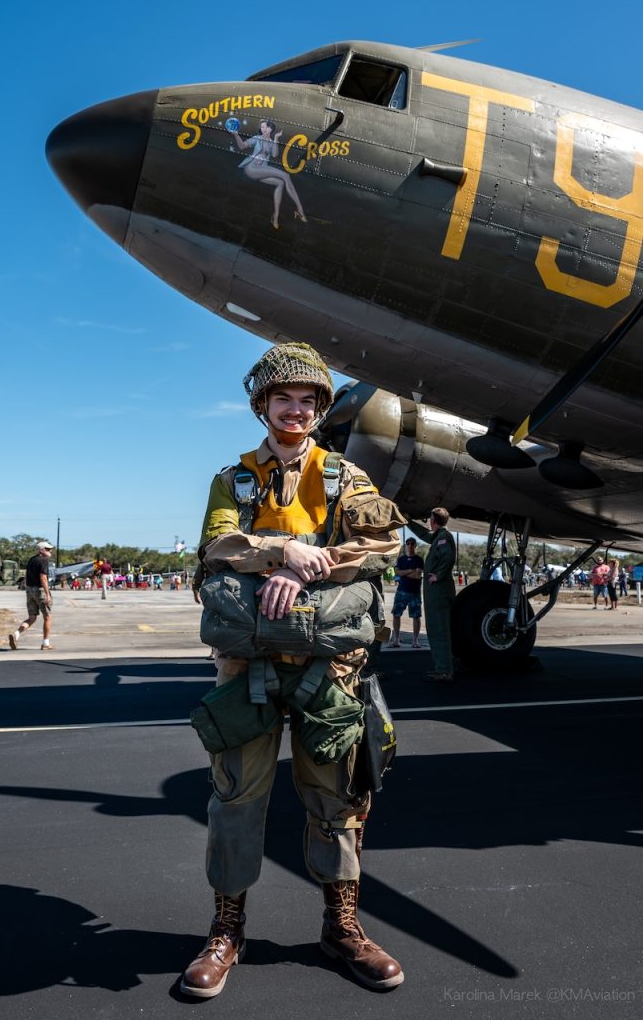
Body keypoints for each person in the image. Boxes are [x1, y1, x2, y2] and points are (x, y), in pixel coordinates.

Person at [181, 342, 406, 999]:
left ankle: (342, 927)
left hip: (329, 669)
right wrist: (282, 550)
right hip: (247, 667)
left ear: (320, 410)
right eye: (284, 398)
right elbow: (218, 545)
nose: (296, 410)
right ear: (263, 405)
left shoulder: (347, 478)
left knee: (339, 802)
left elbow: (382, 544)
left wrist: (307, 569)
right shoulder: (235, 480)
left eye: (309, 401)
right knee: (234, 801)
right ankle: (226, 930)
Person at [407, 509, 457, 682]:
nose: (429, 521)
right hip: (435, 593)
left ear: (434, 520)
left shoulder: (443, 537)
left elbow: (448, 557)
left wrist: (439, 575)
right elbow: (424, 534)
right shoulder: (438, 537)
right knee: (436, 630)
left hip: (439, 593)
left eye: (430, 518)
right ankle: (441, 668)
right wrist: (408, 522)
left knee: (439, 631)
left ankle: (444, 671)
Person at [231, 119, 308, 229]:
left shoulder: (271, 142)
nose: (264, 129)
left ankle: (275, 216)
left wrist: (276, 139)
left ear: (271, 129)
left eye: (266, 127)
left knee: (280, 183)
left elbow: (275, 154)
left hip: (261, 171)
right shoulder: (257, 138)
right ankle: (300, 210)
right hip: (251, 168)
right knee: (285, 175)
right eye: (262, 127)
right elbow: (242, 146)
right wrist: (236, 134)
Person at [8, 540, 54, 650]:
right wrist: (47, 594)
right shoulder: (43, 560)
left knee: (32, 617)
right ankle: (45, 643)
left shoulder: (31, 560)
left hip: (30, 590)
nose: (50, 551)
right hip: (40, 590)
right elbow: (43, 578)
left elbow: (27, 576)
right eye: (48, 549)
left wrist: (28, 588)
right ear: (42, 550)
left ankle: (16, 634)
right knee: (47, 617)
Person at [386, 537, 423, 649]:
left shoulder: (419, 560)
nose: (410, 545)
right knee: (396, 614)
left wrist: (404, 573)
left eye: (412, 543)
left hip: (414, 592)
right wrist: (410, 570)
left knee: (416, 616)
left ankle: (415, 641)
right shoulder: (401, 559)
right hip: (401, 591)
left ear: (415, 545)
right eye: (408, 543)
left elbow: (418, 575)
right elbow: (397, 573)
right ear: (406, 545)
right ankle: (396, 640)